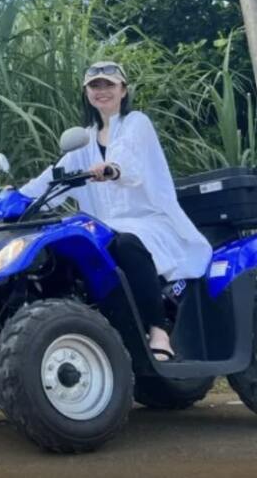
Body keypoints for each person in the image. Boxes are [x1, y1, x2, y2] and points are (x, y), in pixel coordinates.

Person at [19, 60, 212, 362]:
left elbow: (128, 159)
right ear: (86, 93)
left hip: (149, 221)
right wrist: (19, 198)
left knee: (126, 243)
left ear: (123, 90)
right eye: (94, 85)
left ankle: (158, 330)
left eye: (109, 84)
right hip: (104, 225)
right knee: (62, 249)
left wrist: (112, 169)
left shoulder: (136, 123)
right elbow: (55, 176)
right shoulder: (84, 140)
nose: (102, 90)